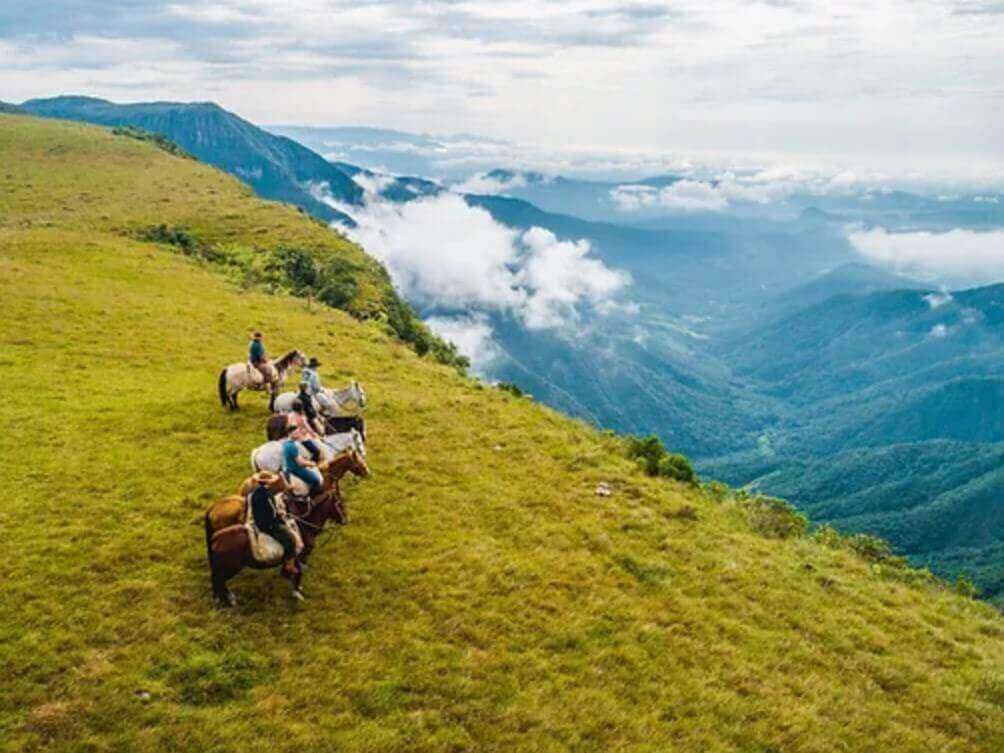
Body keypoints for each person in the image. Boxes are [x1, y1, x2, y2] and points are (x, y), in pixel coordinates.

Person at [248, 477, 297, 563]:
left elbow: (271, 510)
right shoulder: (263, 496)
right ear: (269, 484)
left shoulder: (262, 492)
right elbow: (268, 515)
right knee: (290, 539)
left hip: (268, 521)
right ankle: (289, 563)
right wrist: (277, 521)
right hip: (268, 526)